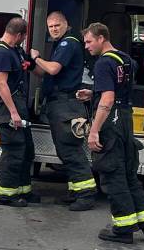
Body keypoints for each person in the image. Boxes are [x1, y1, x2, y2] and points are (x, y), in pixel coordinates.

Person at [78, 23, 144, 243]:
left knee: (113, 175)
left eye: (89, 41)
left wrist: (94, 131)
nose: (87, 46)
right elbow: (116, 88)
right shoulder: (125, 59)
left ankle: (123, 229)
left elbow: (108, 98)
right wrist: (94, 92)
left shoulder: (103, 64)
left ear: (102, 38)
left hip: (111, 122)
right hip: (126, 118)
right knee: (129, 174)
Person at [30, 12, 97, 211]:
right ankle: (75, 191)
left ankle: (86, 195)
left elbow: (53, 69)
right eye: (50, 27)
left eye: (57, 25)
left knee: (70, 150)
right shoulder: (61, 45)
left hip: (67, 105)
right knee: (64, 151)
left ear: (67, 24)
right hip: (59, 104)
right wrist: (31, 65)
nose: (54, 29)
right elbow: (44, 71)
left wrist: (37, 57)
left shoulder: (69, 43)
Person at [0, 16, 39, 207]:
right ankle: (5, 195)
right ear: (18, 35)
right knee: (13, 152)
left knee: (26, 151)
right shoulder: (1, 52)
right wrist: (13, 113)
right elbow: (1, 84)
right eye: (23, 37)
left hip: (19, 107)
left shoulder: (14, 50)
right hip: (8, 109)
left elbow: (25, 64)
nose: (23, 41)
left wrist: (31, 61)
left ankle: (23, 190)